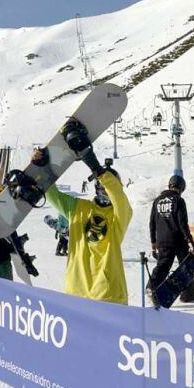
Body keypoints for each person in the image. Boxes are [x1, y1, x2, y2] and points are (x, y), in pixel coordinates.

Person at [42, 123, 132, 304]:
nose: (107, 191)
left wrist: (97, 168)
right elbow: (52, 194)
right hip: (77, 293)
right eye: (103, 187)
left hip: (108, 295)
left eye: (110, 187)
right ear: (98, 187)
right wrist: (43, 167)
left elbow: (119, 197)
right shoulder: (78, 208)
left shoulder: (119, 215)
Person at [148, 175, 194, 305]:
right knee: (187, 267)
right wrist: (191, 242)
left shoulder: (157, 201)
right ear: (182, 188)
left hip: (162, 240)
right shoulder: (178, 200)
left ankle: (151, 287)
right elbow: (183, 224)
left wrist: (153, 244)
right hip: (178, 240)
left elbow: (152, 223)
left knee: (162, 266)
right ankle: (187, 295)